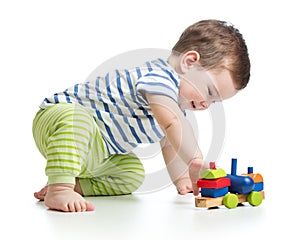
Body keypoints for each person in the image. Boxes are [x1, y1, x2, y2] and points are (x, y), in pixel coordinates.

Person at [33, 19, 250, 212]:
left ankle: (74, 184)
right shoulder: (160, 78)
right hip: (58, 119)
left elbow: (170, 143)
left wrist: (182, 177)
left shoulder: (175, 106)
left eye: (214, 102)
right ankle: (60, 187)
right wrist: (195, 160)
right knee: (77, 121)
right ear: (189, 62)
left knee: (132, 173)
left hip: (97, 152)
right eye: (209, 93)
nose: (205, 104)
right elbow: (173, 123)